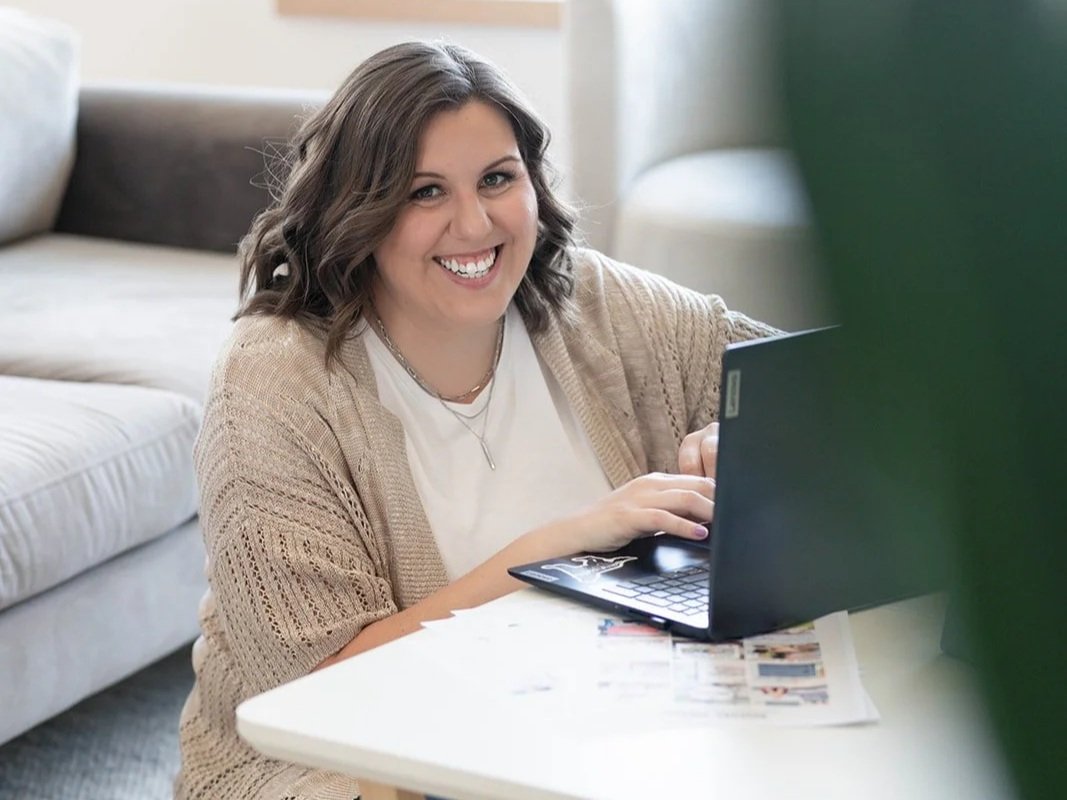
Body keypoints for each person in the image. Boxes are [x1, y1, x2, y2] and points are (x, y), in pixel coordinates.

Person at [174, 41, 778, 799]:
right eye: (424, 192)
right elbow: (315, 693)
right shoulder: (273, 382)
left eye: (497, 178)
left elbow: (834, 387)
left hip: (593, 716)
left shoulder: (591, 300)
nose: (474, 222)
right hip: (348, 764)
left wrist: (748, 435)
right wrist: (554, 549)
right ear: (357, 209)